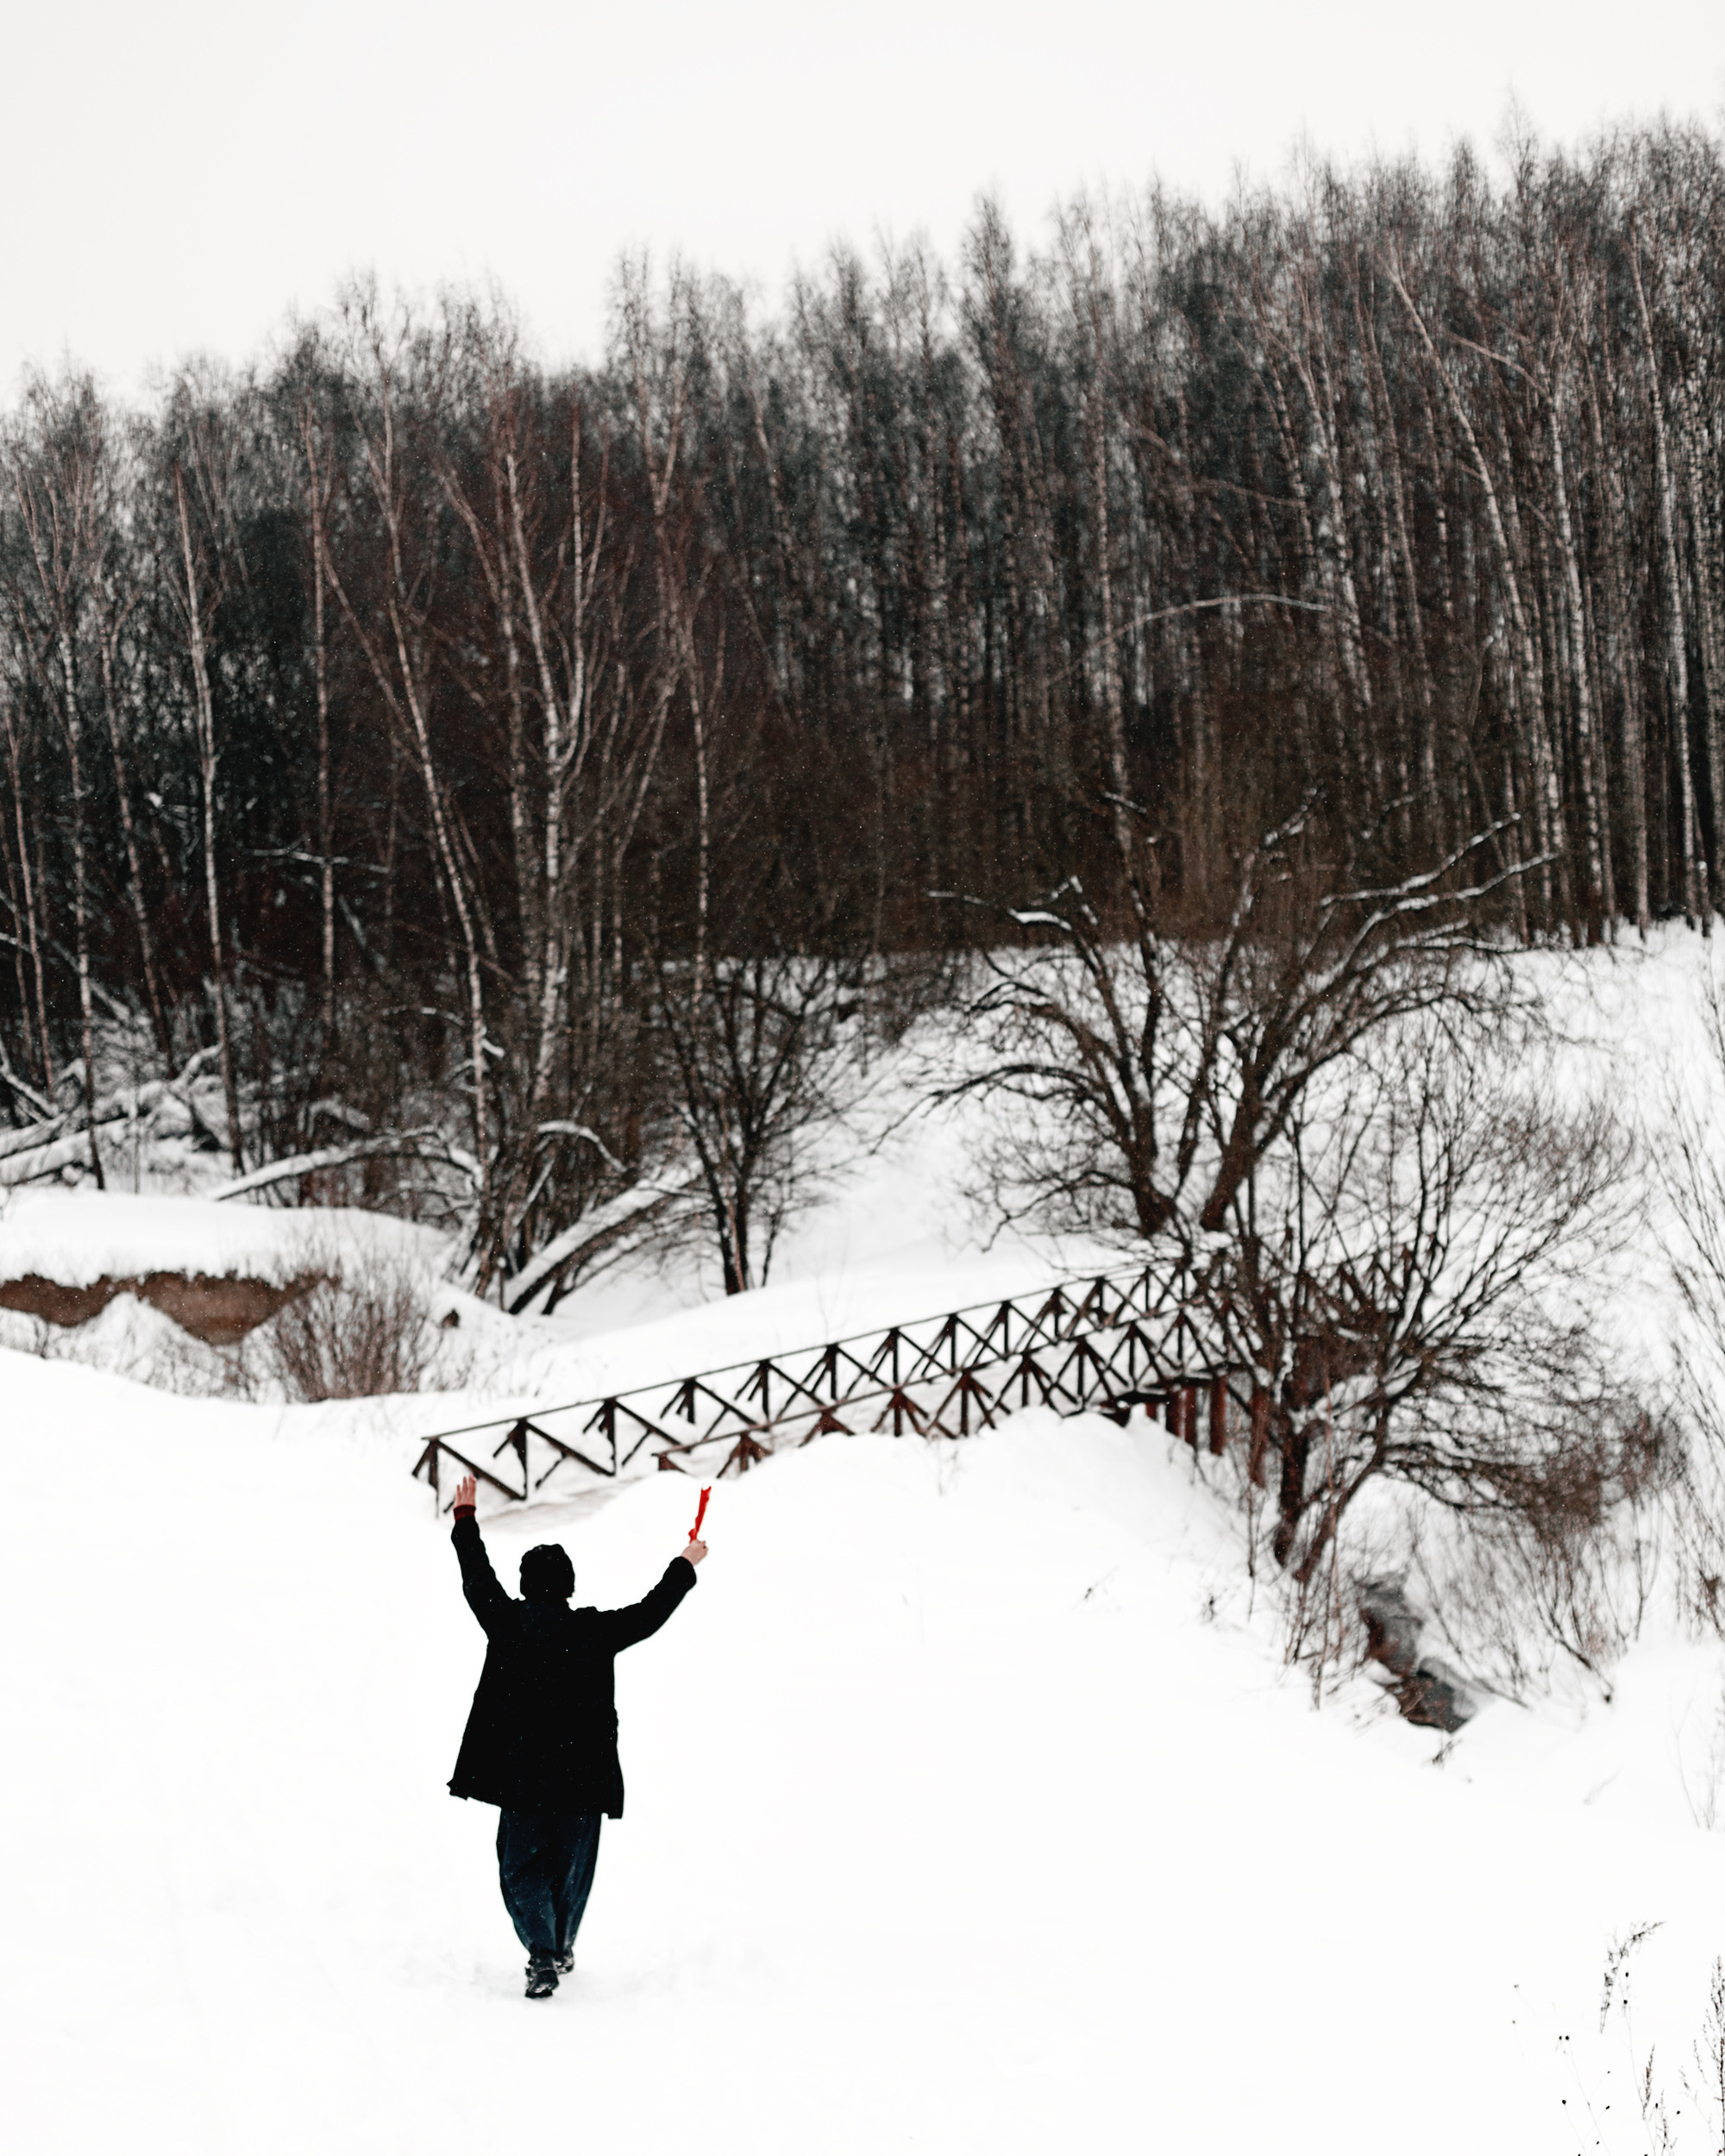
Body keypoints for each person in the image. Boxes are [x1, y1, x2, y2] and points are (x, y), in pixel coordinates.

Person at [445, 1471, 706, 1998]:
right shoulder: (594, 1632)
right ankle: (559, 1945)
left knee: (521, 1871)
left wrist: (466, 1521)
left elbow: (476, 1577)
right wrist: (685, 1562)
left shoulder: (507, 1623)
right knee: (571, 1872)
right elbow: (651, 1613)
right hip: (581, 1779)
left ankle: (542, 1951)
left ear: (525, 1586)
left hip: (522, 1779)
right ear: (568, 1586)